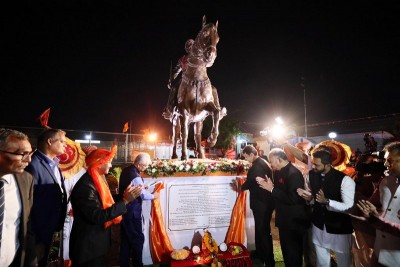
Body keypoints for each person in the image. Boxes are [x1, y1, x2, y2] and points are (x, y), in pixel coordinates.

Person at [69, 146, 142, 267]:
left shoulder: (95, 179)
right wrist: (125, 201)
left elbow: (105, 202)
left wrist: (123, 197)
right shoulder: (86, 186)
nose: (111, 165)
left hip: (95, 245)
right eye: (109, 162)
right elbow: (97, 216)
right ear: (99, 163)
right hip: (88, 248)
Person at [297, 147, 355, 267]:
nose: (313, 167)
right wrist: (309, 199)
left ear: (328, 164)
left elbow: (348, 207)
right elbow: (314, 199)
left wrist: (327, 201)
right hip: (318, 224)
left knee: (344, 262)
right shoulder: (311, 175)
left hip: (339, 227)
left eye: (316, 165)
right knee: (321, 262)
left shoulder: (345, 180)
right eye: (313, 163)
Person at [256, 148, 310, 267]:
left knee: (293, 255)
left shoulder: (294, 173)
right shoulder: (279, 171)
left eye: (271, 161)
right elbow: (279, 191)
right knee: (286, 253)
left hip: (294, 221)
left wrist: (271, 189)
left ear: (279, 159)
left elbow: (293, 199)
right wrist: (269, 185)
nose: (270, 164)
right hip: (284, 219)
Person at [25, 128, 68, 266]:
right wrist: (35, 241)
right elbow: (28, 205)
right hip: (38, 232)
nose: (65, 145)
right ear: (50, 142)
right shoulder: (33, 165)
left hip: (51, 227)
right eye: (62, 141)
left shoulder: (55, 165)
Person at [356, 141, 400, 266]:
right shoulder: (386, 180)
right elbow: (372, 204)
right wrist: (366, 209)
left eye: (390, 160)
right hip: (379, 250)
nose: (385, 164)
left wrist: (376, 220)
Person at [0, 129, 36, 267]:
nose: (28, 159)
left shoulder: (26, 180)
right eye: (22, 154)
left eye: (30, 153)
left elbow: (27, 226)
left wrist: (31, 260)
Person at [162, 39, 223, 120]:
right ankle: (169, 110)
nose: (191, 47)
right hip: (185, 80)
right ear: (187, 49)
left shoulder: (201, 57)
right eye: (189, 46)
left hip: (201, 81)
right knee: (174, 88)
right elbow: (176, 70)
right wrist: (171, 80)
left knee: (213, 89)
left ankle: (218, 109)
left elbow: (209, 63)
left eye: (192, 45)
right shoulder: (183, 59)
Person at [118, 153, 159, 267]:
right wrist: (154, 196)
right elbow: (143, 196)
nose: (145, 169)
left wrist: (142, 187)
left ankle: (124, 264)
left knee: (126, 241)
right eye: (145, 166)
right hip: (132, 213)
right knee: (138, 239)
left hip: (124, 211)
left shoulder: (126, 170)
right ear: (139, 164)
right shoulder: (135, 175)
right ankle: (138, 264)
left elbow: (134, 187)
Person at [240, 145, 275, 266]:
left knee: (263, 231)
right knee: (260, 230)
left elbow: (249, 183)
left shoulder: (257, 166)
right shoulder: (261, 162)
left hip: (262, 203)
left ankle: (269, 260)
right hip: (263, 202)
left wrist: (239, 187)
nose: (245, 160)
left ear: (251, 154)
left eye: (245, 157)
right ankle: (260, 253)